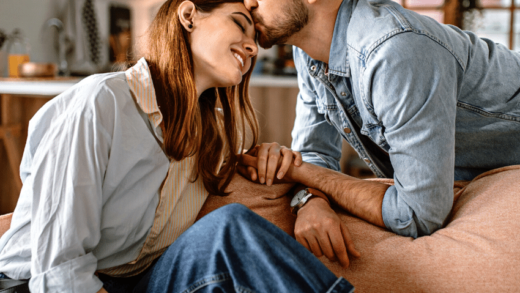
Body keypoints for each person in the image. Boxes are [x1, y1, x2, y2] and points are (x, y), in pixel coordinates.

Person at [0, 0, 355, 292]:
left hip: (134, 280)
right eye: (238, 24)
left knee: (228, 228)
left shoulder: (216, 134)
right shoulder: (101, 103)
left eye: (256, 39)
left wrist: (303, 193)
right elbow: (59, 271)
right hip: (33, 284)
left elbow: (261, 187)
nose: (252, 47)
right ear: (188, 16)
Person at [239, 0, 520, 269]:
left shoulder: (393, 51)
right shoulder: (308, 52)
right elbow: (314, 153)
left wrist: (302, 175)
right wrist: (310, 200)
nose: (248, 3)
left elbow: (418, 215)